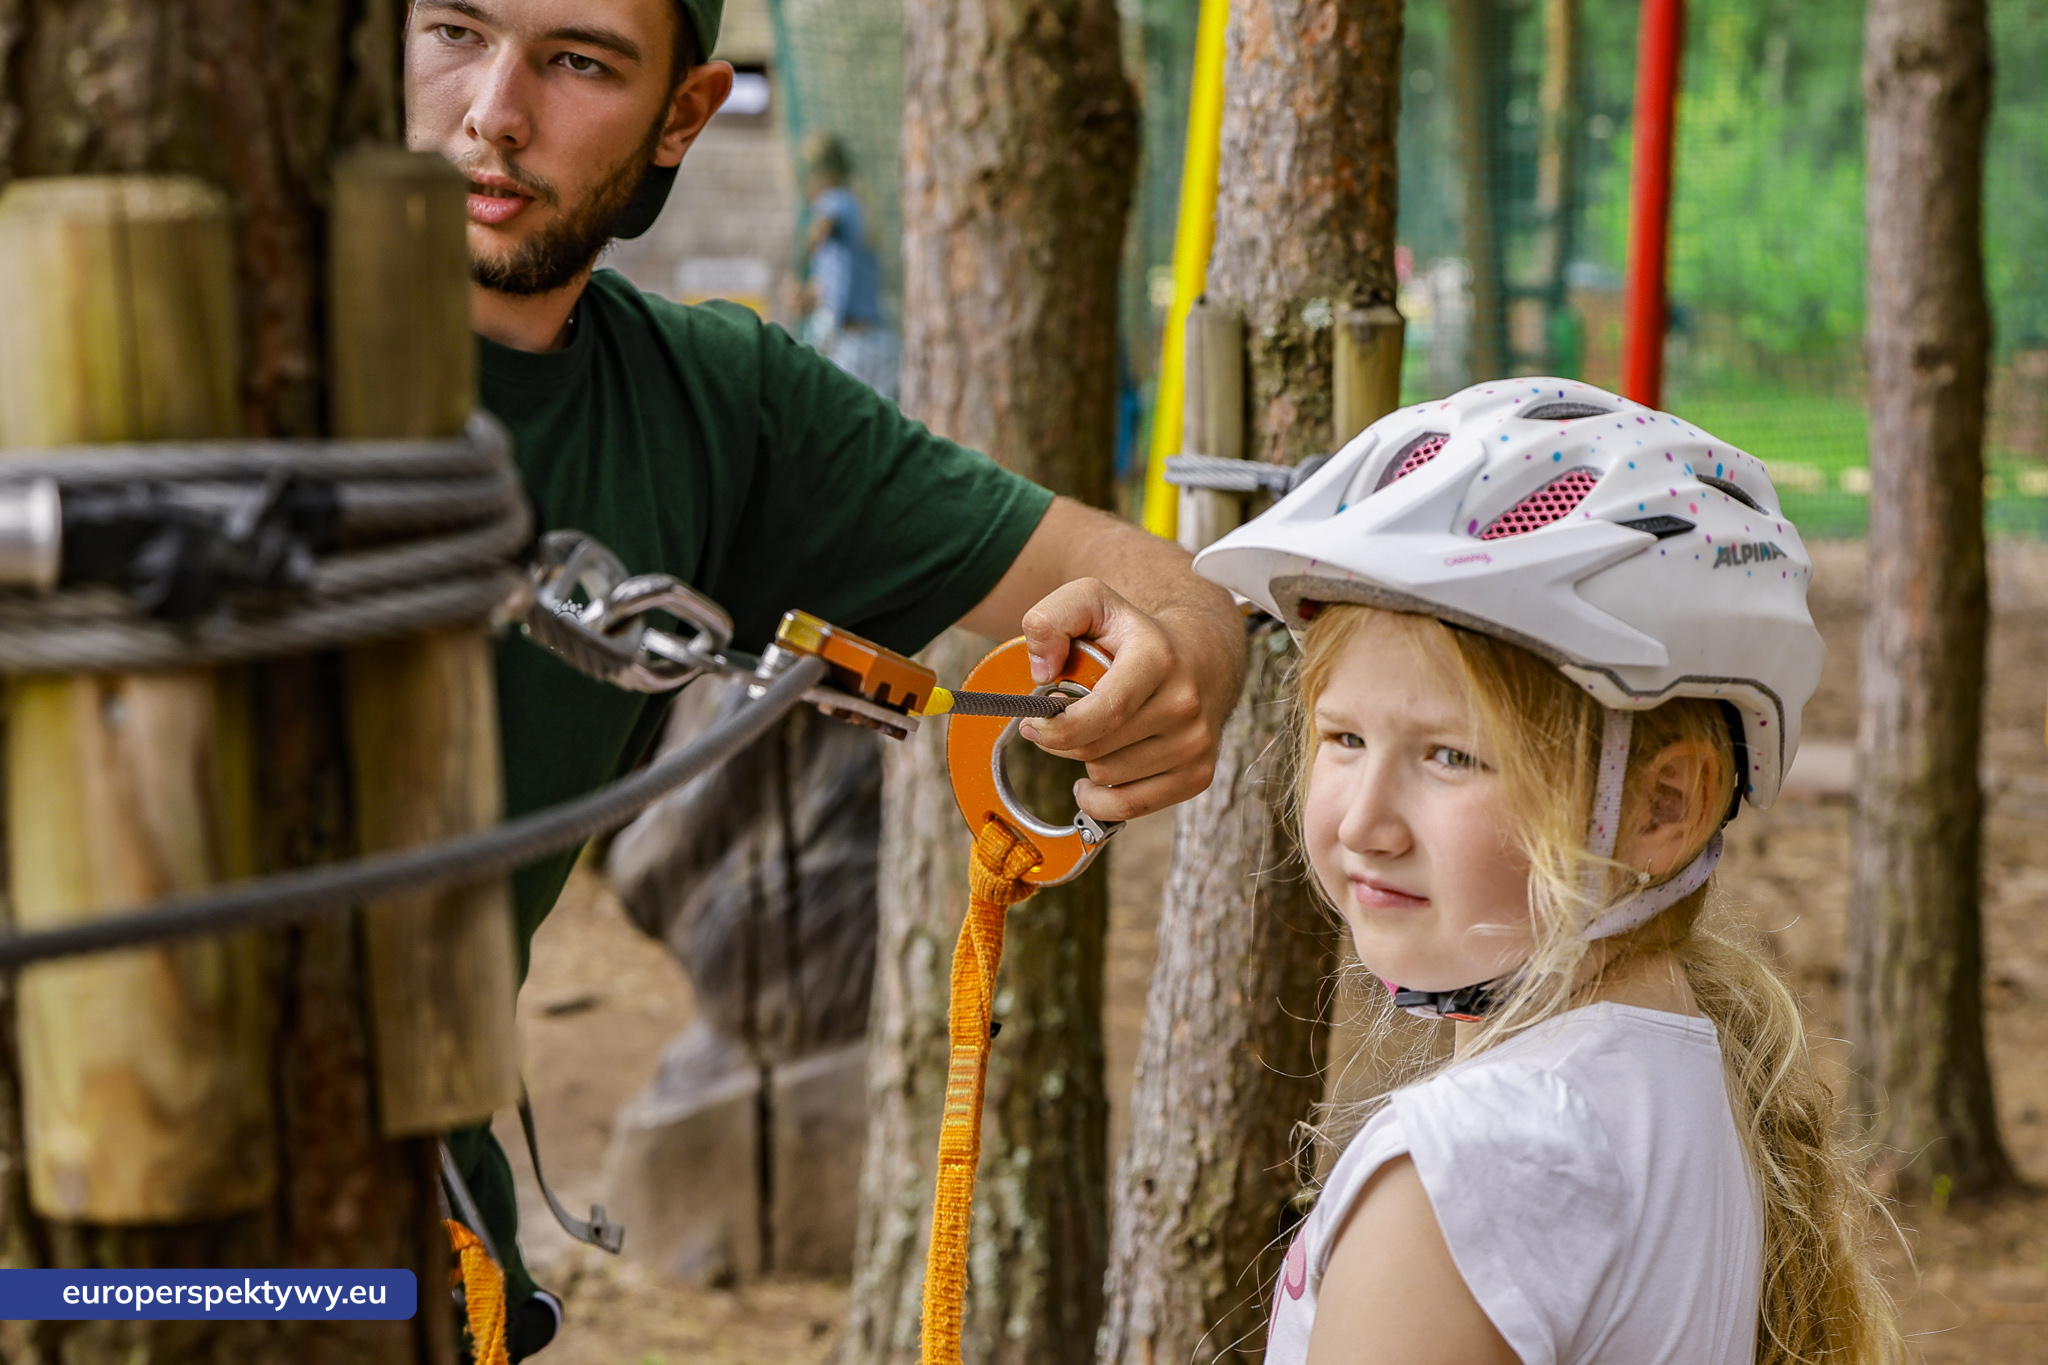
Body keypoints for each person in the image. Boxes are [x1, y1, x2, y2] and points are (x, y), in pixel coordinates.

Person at [403, 0, 1245, 1356]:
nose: (494, 109)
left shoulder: (708, 403)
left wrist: (1175, 661)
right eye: (453, 31)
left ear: (685, 113)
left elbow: (1169, 588)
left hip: (420, 1255)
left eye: (576, 62)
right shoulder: (214, 342)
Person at [1194, 378, 1901, 1364]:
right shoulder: (1681, 1082)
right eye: (1343, 738)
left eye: (1450, 757)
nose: (1363, 821)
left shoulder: (1466, 1175)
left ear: (1662, 808)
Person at [796, 132, 898, 397]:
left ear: (825, 173)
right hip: (877, 340)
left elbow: (822, 227)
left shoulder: (835, 200)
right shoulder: (858, 205)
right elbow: (835, 281)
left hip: (853, 346)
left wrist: (798, 263)